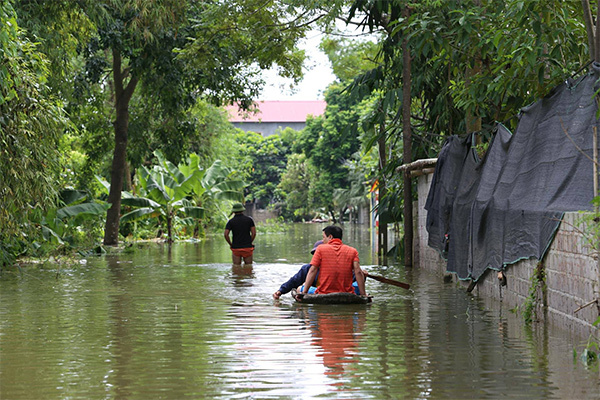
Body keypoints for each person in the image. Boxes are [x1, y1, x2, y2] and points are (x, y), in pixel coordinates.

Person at [272, 239, 368, 300]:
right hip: (321, 292)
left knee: (299, 289)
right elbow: (294, 280)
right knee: (300, 286)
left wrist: (363, 276)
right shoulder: (308, 269)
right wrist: (280, 291)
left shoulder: (341, 266)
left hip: (334, 292)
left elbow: (357, 277)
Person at [297, 225, 366, 299]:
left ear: (330, 237)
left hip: (324, 293)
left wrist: (304, 293)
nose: (323, 241)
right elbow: (358, 272)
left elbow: (313, 270)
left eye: (323, 237)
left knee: (299, 288)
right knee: (356, 285)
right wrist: (363, 295)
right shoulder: (353, 251)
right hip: (347, 292)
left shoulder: (320, 249)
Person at [224, 202, 256, 266]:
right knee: (249, 267)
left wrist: (231, 244)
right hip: (247, 247)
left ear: (233, 211)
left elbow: (226, 234)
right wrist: (250, 242)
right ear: (242, 210)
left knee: (236, 267)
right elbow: (254, 233)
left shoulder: (231, 222)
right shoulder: (249, 220)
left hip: (236, 248)